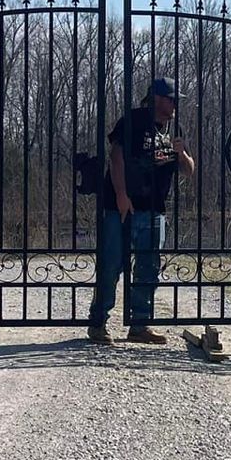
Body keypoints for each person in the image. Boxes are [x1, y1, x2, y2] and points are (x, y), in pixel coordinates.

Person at [88, 78, 196, 345]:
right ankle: (98, 323)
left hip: (154, 209)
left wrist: (181, 154)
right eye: (171, 99)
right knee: (112, 264)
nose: (174, 104)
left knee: (148, 268)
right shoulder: (132, 122)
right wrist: (122, 195)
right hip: (121, 208)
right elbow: (116, 158)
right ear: (157, 99)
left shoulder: (174, 128)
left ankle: (140, 325)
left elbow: (189, 170)